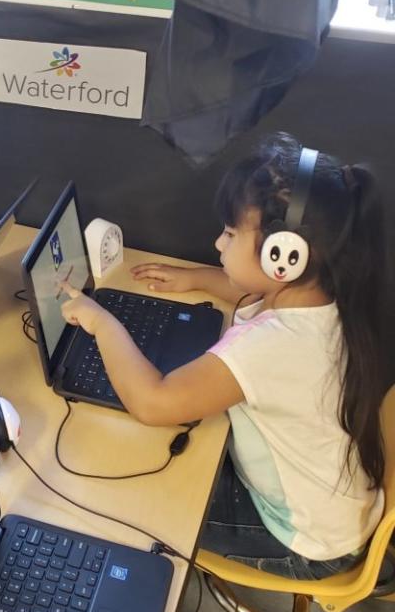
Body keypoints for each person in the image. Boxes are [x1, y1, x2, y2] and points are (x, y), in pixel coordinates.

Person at [60, 133, 387, 580]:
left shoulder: (274, 345)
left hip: (305, 541)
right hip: (336, 509)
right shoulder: (322, 298)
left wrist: (101, 321)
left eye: (231, 233)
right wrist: (194, 278)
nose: (218, 243)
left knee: (126, 488)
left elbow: (153, 403)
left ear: (283, 257)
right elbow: (246, 290)